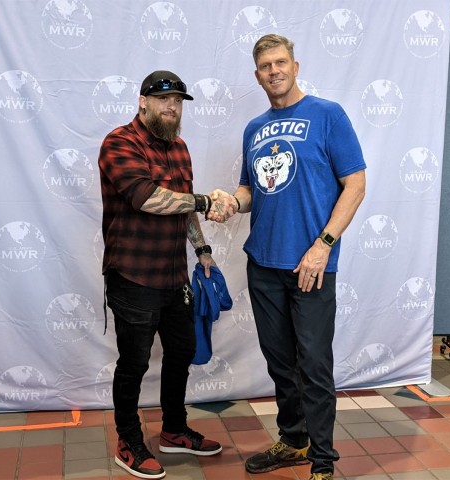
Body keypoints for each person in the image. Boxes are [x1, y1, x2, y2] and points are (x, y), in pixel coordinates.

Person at [210, 34, 366, 480]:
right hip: (264, 263)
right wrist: (228, 203)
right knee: (280, 362)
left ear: (296, 66)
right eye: (265, 65)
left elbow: (355, 184)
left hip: (311, 265)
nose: (274, 70)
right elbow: (250, 190)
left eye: (281, 62)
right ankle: (295, 441)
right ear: (256, 75)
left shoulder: (328, 115)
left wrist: (324, 245)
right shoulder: (254, 128)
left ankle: (322, 463)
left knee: (314, 365)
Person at [98, 70, 226, 480]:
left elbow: (184, 206)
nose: (172, 108)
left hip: (175, 277)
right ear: (143, 102)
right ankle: (129, 441)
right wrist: (207, 200)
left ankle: (173, 429)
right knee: (133, 363)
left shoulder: (180, 147)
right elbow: (149, 199)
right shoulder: (119, 143)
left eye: (178, 102)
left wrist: (202, 250)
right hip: (133, 276)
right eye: (163, 100)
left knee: (182, 352)